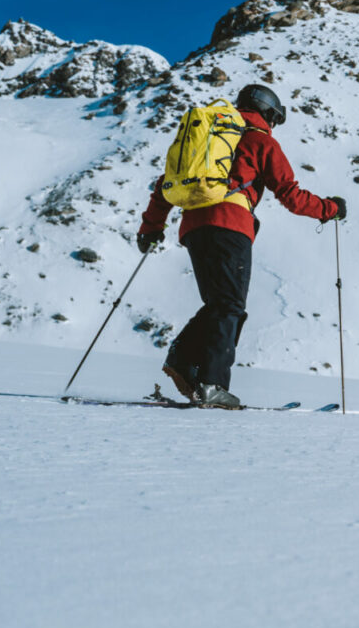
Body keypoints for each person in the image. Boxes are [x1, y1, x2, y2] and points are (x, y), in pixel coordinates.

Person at [136, 83, 346, 408]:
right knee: (229, 306)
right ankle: (211, 384)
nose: (273, 125)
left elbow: (164, 187)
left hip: (193, 226)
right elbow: (290, 194)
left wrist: (150, 228)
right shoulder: (260, 141)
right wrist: (330, 209)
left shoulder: (207, 141)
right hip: (230, 226)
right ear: (267, 112)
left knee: (219, 303)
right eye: (274, 117)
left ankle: (185, 363)